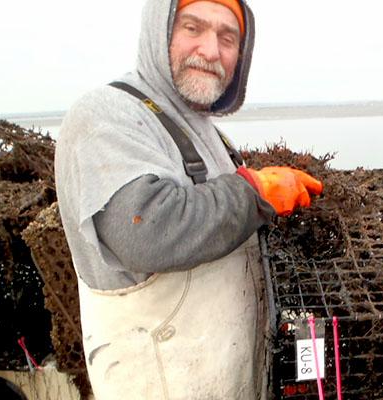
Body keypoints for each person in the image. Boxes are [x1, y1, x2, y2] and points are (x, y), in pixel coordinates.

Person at [54, 0, 322, 398]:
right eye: (192, 28)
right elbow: (146, 231)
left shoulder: (209, 133)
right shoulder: (105, 115)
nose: (211, 51)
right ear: (157, 31)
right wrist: (255, 193)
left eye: (227, 38)